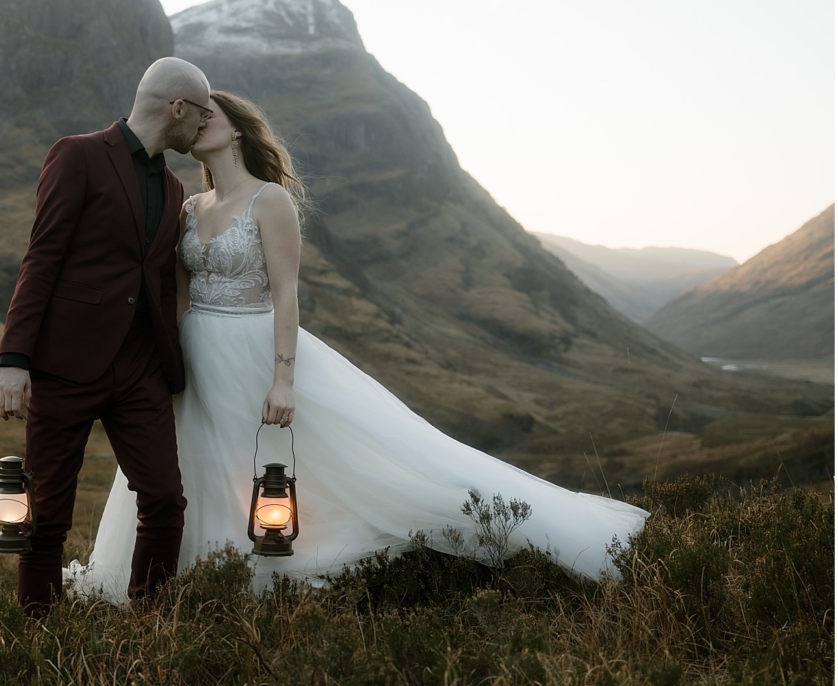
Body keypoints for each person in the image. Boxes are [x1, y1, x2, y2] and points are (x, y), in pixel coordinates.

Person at [67, 91, 649, 598]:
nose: (196, 123)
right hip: (197, 356)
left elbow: (288, 296)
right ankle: (196, 577)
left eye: (209, 114)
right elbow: (179, 298)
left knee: (311, 463)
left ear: (237, 129)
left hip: (253, 349)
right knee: (199, 466)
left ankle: (278, 562)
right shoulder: (191, 207)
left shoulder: (270, 201)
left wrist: (283, 379)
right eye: (192, 116)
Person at [0, 57, 213, 616]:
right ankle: (38, 632)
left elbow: (160, 279)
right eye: (201, 114)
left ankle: (150, 621)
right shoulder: (79, 154)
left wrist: (174, 364)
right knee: (48, 512)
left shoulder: (173, 184)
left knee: (164, 499)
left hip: (140, 369)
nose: (204, 127)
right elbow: (41, 258)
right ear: (178, 108)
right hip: (65, 363)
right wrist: (14, 357)